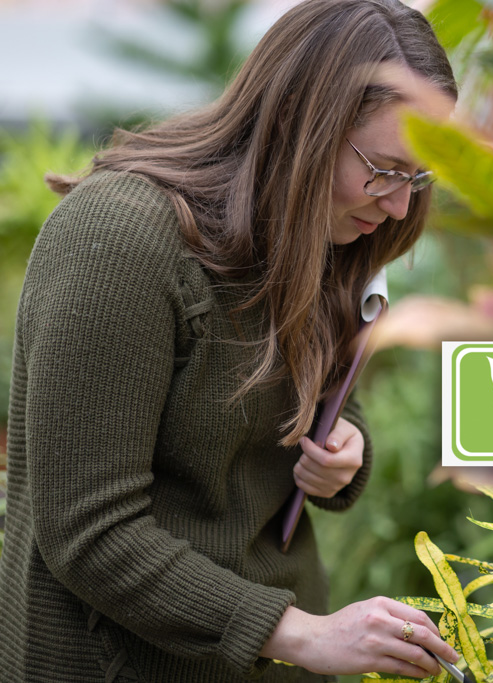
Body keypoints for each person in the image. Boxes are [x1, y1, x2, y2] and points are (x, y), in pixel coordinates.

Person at [0, 0, 460, 680]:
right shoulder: (119, 240)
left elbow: (311, 401)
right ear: (301, 124)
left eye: (419, 178)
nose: (398, 204)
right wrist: (303, 632)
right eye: (386, 169)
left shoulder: (331, 233)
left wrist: (343, 446)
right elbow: (90, 532)